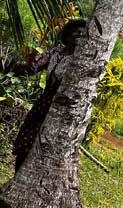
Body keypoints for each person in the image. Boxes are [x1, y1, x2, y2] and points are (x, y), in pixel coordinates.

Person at [11, 19, 87, 172]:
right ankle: (18, 175)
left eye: (82, 34)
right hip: (44, 102)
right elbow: (35, 66)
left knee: (45, 145)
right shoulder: (56, 52)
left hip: (62, 108)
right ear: (68, 34)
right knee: (27, 137)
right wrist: (23, 66)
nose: (79, 37)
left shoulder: (81, 60)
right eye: (77, 32)